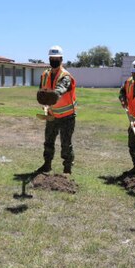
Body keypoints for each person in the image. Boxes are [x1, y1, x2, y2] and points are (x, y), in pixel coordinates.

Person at [36, 45, 77, 174]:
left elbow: (61, 88)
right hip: (52, 115)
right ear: (49, 59)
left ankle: (67, 168)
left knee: (66, 144)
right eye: (52, 58)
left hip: (67, 116)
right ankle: (47, 164)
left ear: (61, 59)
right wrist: (44, 101)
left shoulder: (65, 76)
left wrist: (53, 96)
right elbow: (43, 90)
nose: (54, 60)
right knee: (48, 141)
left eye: (56, 58)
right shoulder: (45, 75)